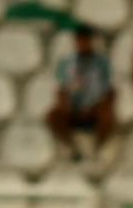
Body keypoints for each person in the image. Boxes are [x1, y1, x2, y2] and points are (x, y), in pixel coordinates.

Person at [47, 25, 116, 162]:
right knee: (52, 116)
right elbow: (61, 90)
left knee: (108, 115)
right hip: (72, 109)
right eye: (80, 40)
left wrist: (94, 107)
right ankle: (72, 148)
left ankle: (98, 149)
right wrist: (66, 106)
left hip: (95, 109)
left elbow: (110, 90)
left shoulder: (102, 63)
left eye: (86, 40)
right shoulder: (66, 63)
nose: (83, 44)